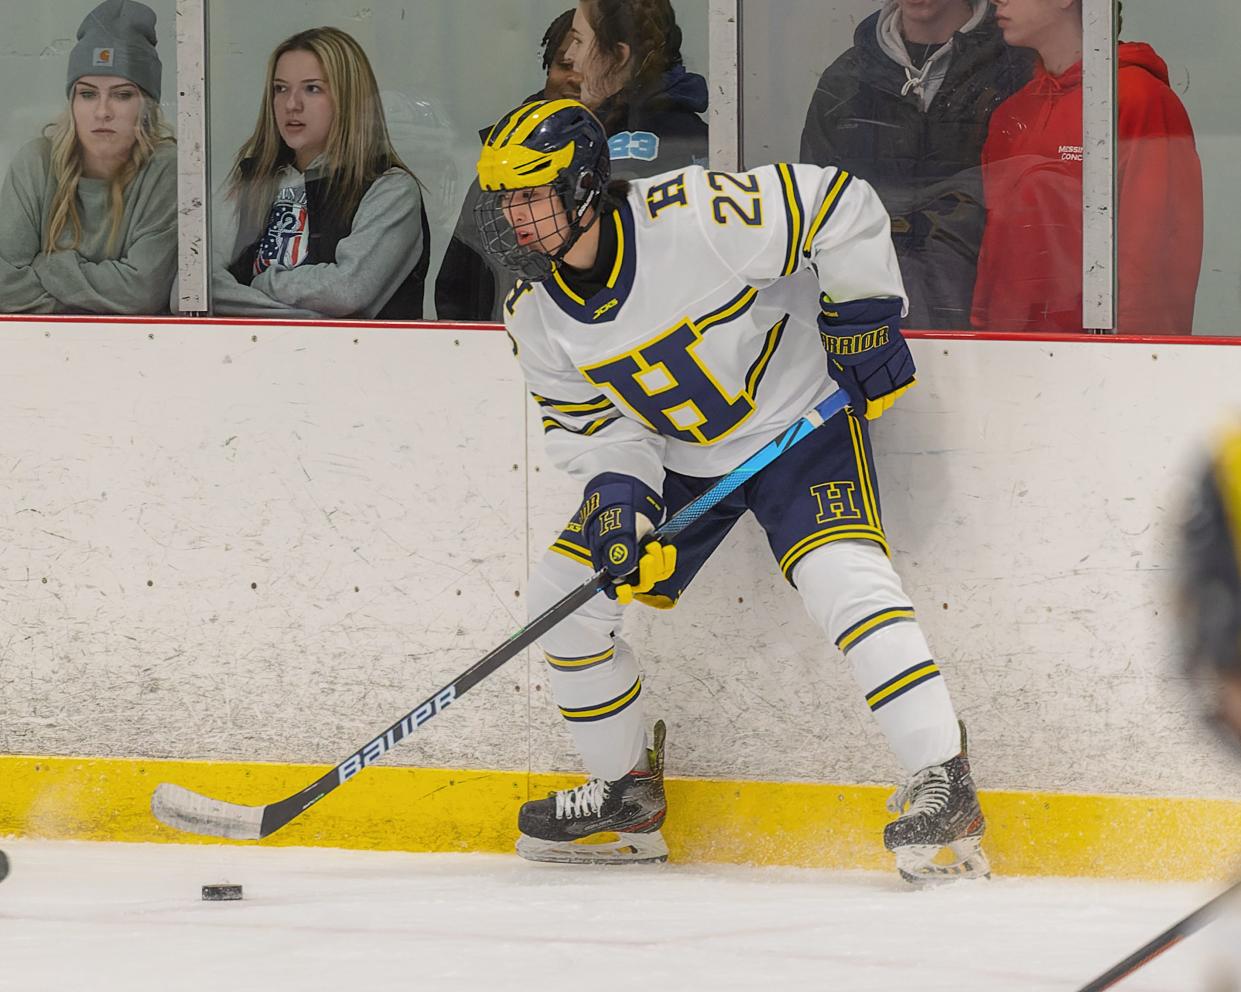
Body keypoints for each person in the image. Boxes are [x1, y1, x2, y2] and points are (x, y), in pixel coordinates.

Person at [474, 99, 987, 883]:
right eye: (504, 200)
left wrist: (864, 316)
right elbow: (592, 428)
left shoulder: (693, 216)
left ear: (582, 186)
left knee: (842, 578)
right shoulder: (533, 314)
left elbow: (835, 203)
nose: (514, 218)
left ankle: (943, 779)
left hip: (797, 423)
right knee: (566, 599)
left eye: (530, 195)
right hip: (679, 461)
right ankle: (626, 797)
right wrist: (619, 501)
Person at [971, 0, 1203, 334]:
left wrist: (1135, 360)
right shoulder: (1011, 115)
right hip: (1010, 356)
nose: (997, 0)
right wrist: (981, 336)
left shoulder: (1139, 100)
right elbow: (993, 255)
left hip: (1102, 362)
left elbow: (1152, 255)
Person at [800, 0, 1031, 330]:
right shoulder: (845, 79)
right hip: (868, 314)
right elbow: (817, 208)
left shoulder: (1017, 68)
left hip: (986, 319)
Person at [211, 26, 429, 319]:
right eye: (280, 88)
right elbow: (193, 286)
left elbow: (347, 292)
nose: (291, 104)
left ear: (348, 97)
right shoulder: (250, 181)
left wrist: (261, 283)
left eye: (312, 88)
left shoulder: (389, 189)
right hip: (245, 359)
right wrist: (311, 320)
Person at [0, 0, 177, 315]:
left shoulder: (166, 169)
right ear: (72, 102)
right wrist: (91, 303)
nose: (102, 111)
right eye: (87, 93)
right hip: (41, 348)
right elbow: (3, 285)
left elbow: (143, 292)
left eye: (122, 95)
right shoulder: (36, 163)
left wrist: (47, 267)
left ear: (146, 106)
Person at [435, 10, 580, 322]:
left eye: (586, 67)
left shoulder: (649, 157)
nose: (574, 79)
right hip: (506, 356)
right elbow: (457, 285)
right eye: (563, 65)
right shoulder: (504, 167)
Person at [566, 0, 709, 178]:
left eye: (578, 41)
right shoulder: (686, 127)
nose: (569, 55)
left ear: (618, 55)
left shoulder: (629, 149)